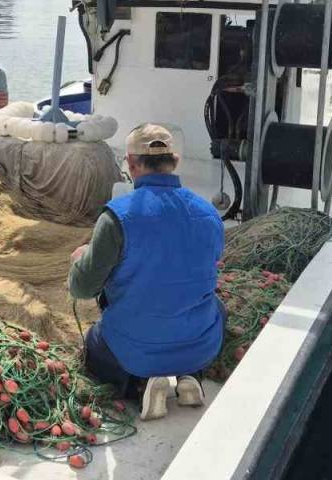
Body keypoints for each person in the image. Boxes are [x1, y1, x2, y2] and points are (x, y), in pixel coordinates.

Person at [67, 124, 224, 421]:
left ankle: (143, 385)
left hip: (134, 353)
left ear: (132, 164)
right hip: (200, 348)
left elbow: (83, 289)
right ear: (175, 161)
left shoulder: (117, 215)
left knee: (94, 344)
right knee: (216, 307)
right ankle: (190, 374)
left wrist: (80, 260)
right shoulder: (208, 213)